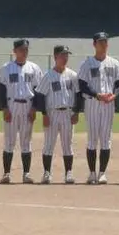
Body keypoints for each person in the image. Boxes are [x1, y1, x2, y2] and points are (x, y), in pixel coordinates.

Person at [76, 32, 119, 184]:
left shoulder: (114, 63)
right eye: (100, 42)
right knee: (92, 139)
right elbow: (82, 86)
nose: (103, 44)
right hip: (92, 103)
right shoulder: (87, 64)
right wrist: (97, 95)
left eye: (105, 41)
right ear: (94, 44)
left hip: (108, 104)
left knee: (105, 139)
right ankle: (91, 173)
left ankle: (102, 173)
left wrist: (114, 97)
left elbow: (118, 85)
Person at [0, 39, 43, 184]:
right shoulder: (6, 68)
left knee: (26, 142)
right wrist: (4, 108)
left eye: (26, 49)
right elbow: (1, 89)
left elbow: (38, 90)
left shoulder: (34, 68)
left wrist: (34, 108)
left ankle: (26, 174)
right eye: (21, 49)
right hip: (12, 104)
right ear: (15, 51)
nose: (24, 52)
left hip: (27, 105)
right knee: (9, 141)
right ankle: (6, 173)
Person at [34, 45, 80, 184]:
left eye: (66, 55)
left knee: (68, 144)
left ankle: (68, 173)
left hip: (68, 112)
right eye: (62, 55)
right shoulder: (48, 76)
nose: (65, 58)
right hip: (52, 113)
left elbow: (78, 95)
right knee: (49, 144)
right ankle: (47, 173)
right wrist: (44, 114)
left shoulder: (72, 75)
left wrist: (76, 112)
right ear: (55, 57)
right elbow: (40, 96)